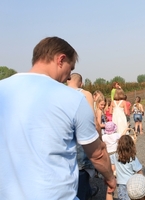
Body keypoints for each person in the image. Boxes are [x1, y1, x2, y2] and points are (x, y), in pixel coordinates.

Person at [0, 36, 116, 199]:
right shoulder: (74, 99)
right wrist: (110, 178)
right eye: (71, 67)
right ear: (61, 59)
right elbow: (96, 154)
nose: (69, 77)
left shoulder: (3, 89)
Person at [67, 73, 101, 199]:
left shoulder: (59, 93)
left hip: (65, 140)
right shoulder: (85, 94)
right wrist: (99, 137)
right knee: (82, 169)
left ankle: (86, 191)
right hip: (80, 138)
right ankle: (83, 193)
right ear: (81, 83)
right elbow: (92, 119)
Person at [102, 122, 132, 200]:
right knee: (115, 164)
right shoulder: (116, 135)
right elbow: (122, 136)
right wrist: (126, 128)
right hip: (115, 152)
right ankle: (116, 174)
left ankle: (110, 175)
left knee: (110, 165)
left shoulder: (104, 136)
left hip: (108, 153)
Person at [110, 135, 143, 200]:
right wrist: (142, 183)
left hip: (121, 183)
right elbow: (139, 171)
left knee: (123, 197)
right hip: (132, 183)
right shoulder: (133, 158)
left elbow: (112, 169)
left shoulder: (115, 156)